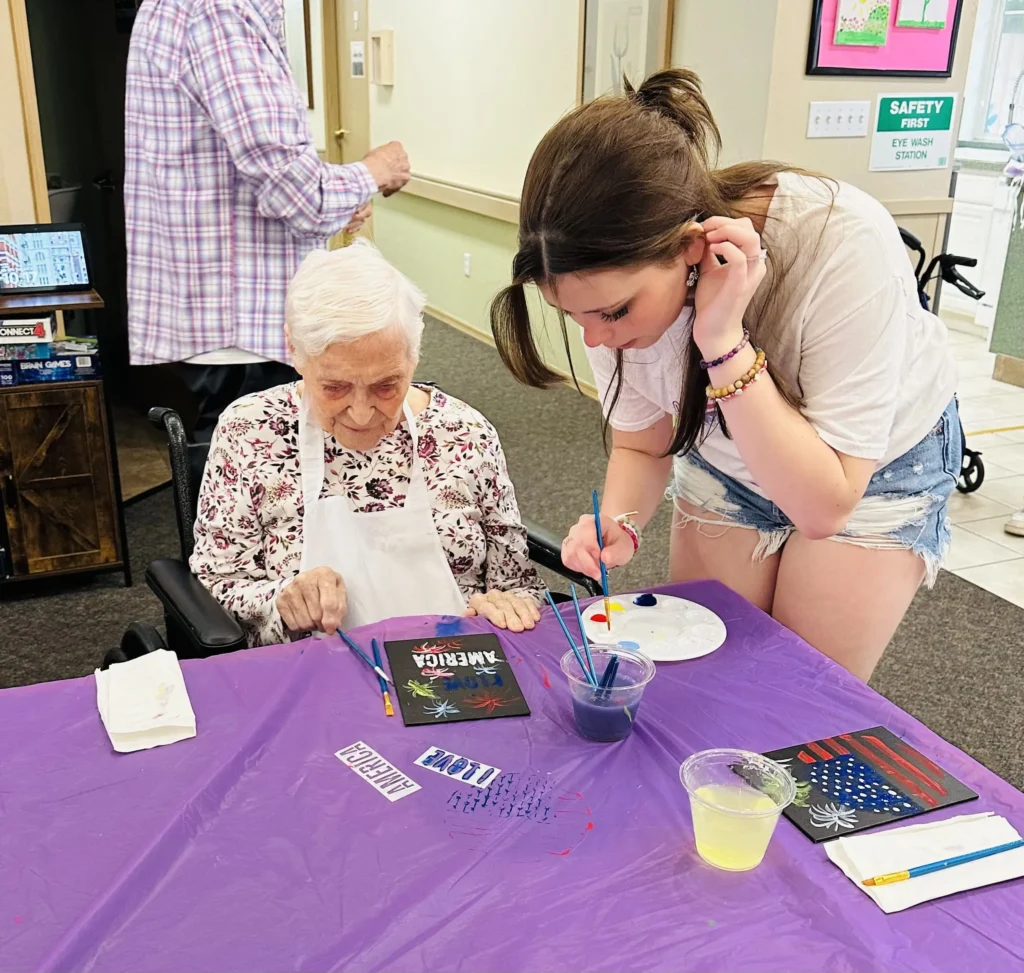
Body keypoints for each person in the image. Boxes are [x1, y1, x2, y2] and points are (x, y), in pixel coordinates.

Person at [490, 70, 961, 682]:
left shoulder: (839, 241)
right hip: (729, 459)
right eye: (572, 315)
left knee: (797, 698)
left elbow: (825, 505)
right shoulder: (605, 286)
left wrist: (720, 340)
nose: (595, 338)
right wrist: (620, 519)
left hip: (867, 476)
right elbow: (642, 441)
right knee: (706, 677)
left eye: (612, 313)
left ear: (690, 248)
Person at [191, 241, 543, 645]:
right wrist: (280, 601)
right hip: (314, 672)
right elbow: (217, 583)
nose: (360, 413)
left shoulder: (465, 433)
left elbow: (518, 585)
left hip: (452, 666)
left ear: (414, 356)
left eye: (386, 385)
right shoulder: (251, 431)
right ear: (294, 350)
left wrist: (503, 607)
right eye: (334, 387)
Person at [124, 0, 412, 442]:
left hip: (230, 315)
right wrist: (374, 171)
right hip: (240, 326)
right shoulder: (217, 12)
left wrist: (340, 197)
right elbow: (294, 190)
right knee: (257, 476)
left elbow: (248, 172)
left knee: (257, 470)